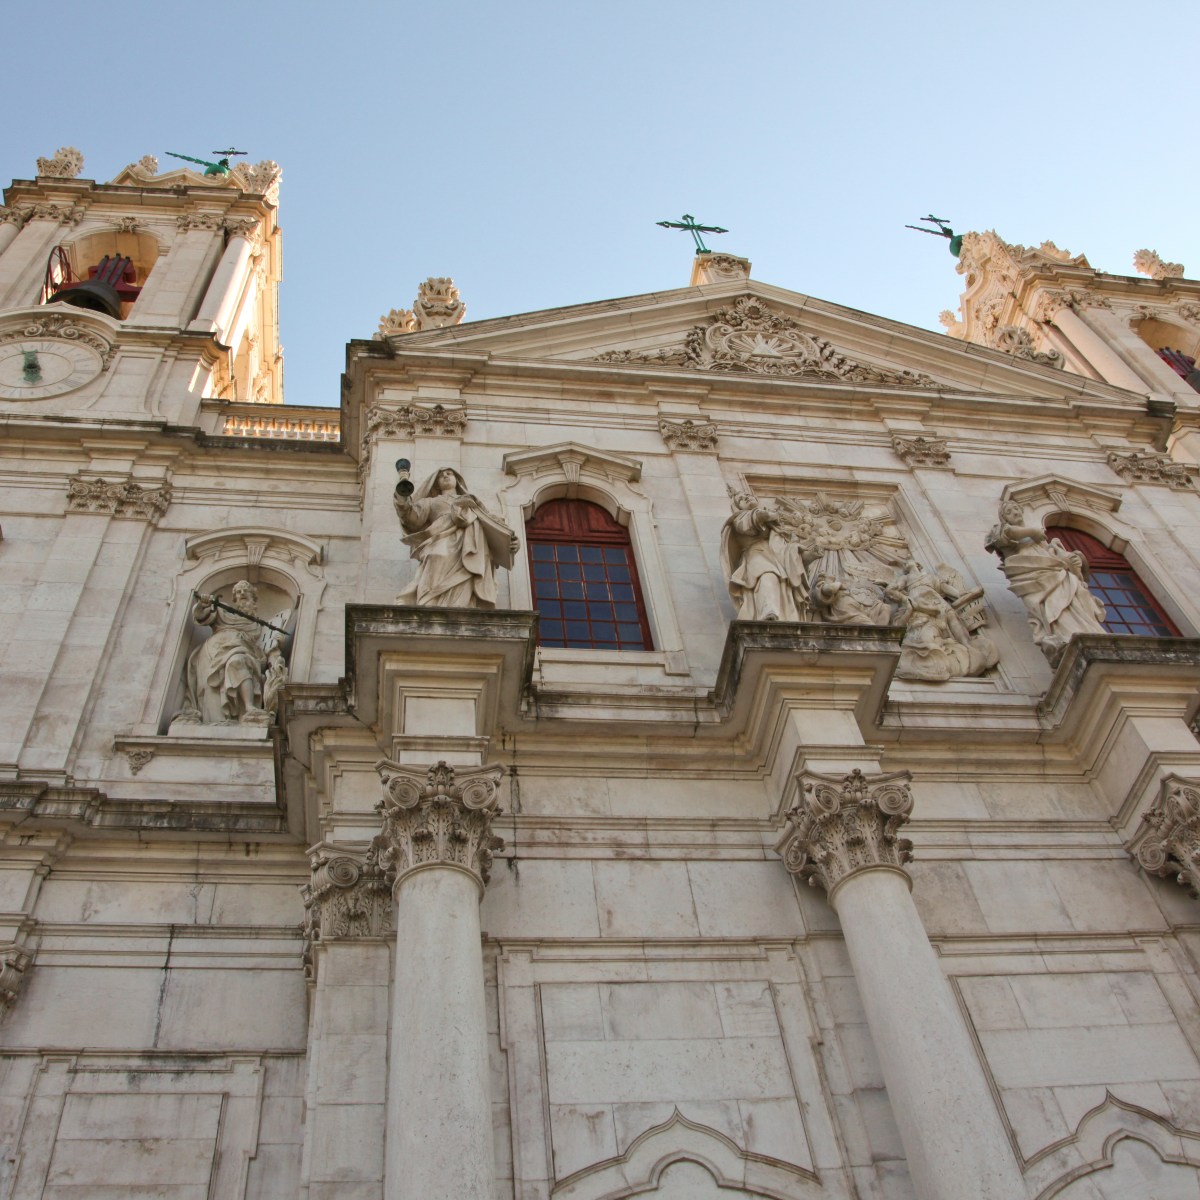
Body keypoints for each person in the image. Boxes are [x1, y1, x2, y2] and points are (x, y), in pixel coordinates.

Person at [986, 501, 1106, 663]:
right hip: (1033, 576)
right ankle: (1066, 637)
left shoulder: (1042, 542)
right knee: (1049, 607)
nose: (1015, 512)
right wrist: (1033, 532)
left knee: (1077, 596)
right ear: (1004, 518)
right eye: (1009, 512)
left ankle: (1087, 632)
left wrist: (1072, 561)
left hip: (1056, 571)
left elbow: (1062, 558)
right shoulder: (1007, 533)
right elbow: (1006, 534)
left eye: (1016, 508)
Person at [394, 467, 519, 608]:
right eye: (441, 476)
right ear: (436, 484)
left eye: (449, 474)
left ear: (457, 479)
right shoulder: (431, 502)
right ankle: (429, 604)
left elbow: (491, 521)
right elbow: (411, 518)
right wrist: (402, 496)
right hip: (441, 538)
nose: (445, 476)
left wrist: (512, 540)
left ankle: (462, 607)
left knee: (467, 571)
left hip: (469, 543)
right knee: (435, 556)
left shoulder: (471, 501)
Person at [177, 581, 289, 725]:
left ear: (253, 598)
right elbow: (200, 616)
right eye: (238, 592)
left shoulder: (260, 625)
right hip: (214, 649)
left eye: (245, 591)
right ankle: (215, 720)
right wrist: (203, 604)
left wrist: (277, 644)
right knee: (210, 689)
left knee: (238, 661)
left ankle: (249, 707)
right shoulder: (225, 611)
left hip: (243, 650)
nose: (241, 594)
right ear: (234, 598)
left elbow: (268, 648)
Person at [720, 490, 810, 621]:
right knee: (767, 575)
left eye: (748, 495)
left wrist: (799, 551)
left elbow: (785, 545)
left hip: (777, 558)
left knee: (783, 584)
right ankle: (768, 611)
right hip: (757, 555)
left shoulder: (776, 527)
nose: (745, 498)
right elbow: (751, 522)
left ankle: (786, 616)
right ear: (738, 507)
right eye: (741, 499)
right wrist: (770, 515)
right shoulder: (741, 517)